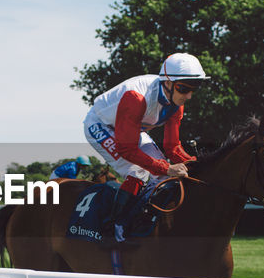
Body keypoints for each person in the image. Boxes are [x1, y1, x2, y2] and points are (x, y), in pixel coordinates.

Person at [83, 52, 207, 243]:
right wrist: (166, 167)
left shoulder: (176, 102)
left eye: (194, 88)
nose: (189, 96)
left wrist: (198, 164)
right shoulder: (136, 98)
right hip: (100, 125)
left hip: (130, 128)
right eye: (184, 88)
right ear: (167, 82)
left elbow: (172, 147)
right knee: (139, 171)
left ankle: (150, 222)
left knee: (164, 175)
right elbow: (127, 151)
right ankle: (114, 226)